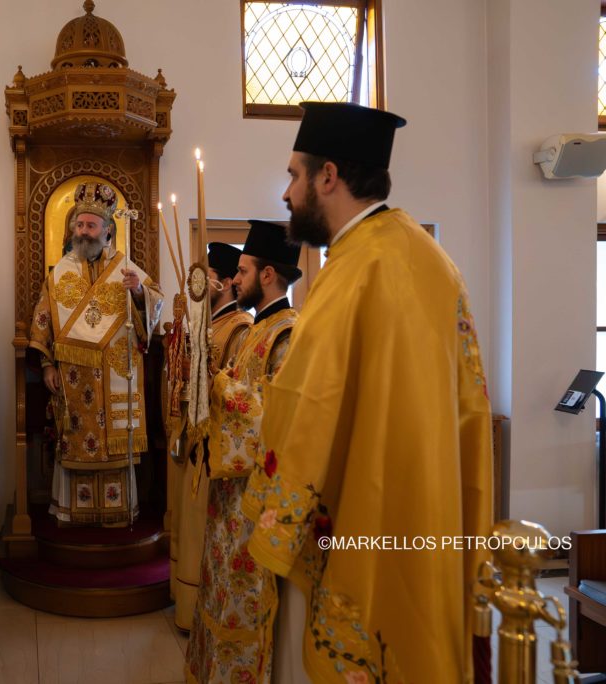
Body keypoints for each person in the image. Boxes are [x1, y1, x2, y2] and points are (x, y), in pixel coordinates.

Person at [240, 102, 492, 683]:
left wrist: (274, 516)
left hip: (356, 518)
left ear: (328, 176)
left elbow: (306, 405)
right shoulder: (431, 260)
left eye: (294, 175)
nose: (286, 193)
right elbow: (470, 407)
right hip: (427, 510)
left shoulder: (355, 268)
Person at [185, 221, 301, 683]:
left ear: (268, 274)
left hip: (256, 497)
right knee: (219, 588)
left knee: (241, 595)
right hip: (230, 491)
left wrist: (218, 386)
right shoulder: (257, 329)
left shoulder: (288, 334)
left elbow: (276, 415)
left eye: (244, 271)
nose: (235, 279)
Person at [29, 182, 164, 526]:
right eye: (79, 224)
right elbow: (43, 321)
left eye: (91, 225)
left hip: (114, 375)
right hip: (73, 379)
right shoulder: (59, 274)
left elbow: (155, 305)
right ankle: (73, 512)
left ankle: (118, 511)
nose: (84, 231)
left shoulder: (126, 268)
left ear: (107, 231)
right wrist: (47, 365)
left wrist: (138, 293)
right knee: (74, 440)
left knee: (113, 443)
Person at [169, 240, 253, 631]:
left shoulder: (240, 328)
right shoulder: (207, 323)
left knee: (201, 526)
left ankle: (196, 610)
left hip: (212, 444)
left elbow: (237, 387)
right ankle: (183, 602)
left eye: (209, 278)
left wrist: (205, 373)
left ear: (226, 284)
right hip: (191, 436)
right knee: (187, 524)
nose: (200, 287)